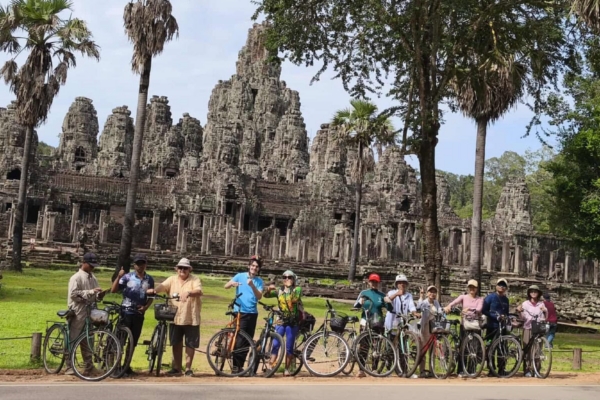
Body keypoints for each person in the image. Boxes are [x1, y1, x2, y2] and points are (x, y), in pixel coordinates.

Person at [147, 258, 202, 377]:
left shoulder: (195, 279)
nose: (182, 270)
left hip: (190, 316)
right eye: (180, 268)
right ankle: (177, 367)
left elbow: (198, 291)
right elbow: (162, 286)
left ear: (189, 269)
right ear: (177, 269)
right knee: (175, 342)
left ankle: (188, 368)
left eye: (185, 268)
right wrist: (154, 291)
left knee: (190, 343)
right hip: (175, 316)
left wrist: (188, 293)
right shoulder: (172, 279)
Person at [110, 253, 154, 377]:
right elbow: (114, 290)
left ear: (146, 264)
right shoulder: (128, 277)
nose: (140, 266)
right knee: (120, 340)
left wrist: (146, 307)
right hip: (126, 311)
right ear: (134, 265)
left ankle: (126, 365)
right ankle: (116, 366)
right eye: (138, 264)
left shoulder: (149, 279)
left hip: (139, 314)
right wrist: (119, 277)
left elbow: (151, 296)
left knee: (133, 341)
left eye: (142, 263)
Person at [65, 253, 105, 376]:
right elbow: (73, 294)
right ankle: (68, 366)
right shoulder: (76, 278)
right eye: (91, 265)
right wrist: (90, 292)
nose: (92, 268)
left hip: (90, 311)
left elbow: (95, 295)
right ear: (84, 263)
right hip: (78, 311)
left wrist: (99, 295)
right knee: (73, 338)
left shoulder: (93, 277)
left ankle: (89, 366)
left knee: (89, 339)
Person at [224, 255, 264, 373]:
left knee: (248, 340)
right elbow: (226, 285)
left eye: (256, 267)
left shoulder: (259, 281)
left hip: (252, 313)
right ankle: (236, 366)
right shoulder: (240, 276)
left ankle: (239, 366)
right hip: (240, 311)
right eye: (252, 266)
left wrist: (252, 285)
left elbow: (259, 296)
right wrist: (232, 284)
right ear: (249, 266)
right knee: (240, 339)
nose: (254, 268)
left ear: (258, 269)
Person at [353, 273, 393, 377]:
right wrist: (360, 302)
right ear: (369, 282)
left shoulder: (382, 295)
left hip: (377, 321)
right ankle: (361, 369)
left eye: (376, 282)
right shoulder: (364, 293)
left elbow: (390, 309)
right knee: (363, 345)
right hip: (365, 321)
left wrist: (388, 302)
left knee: (376, 346)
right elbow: (356, 306)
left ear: (378, 283)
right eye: (372, 282)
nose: (374, 284)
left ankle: (374, 369)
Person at [264, 270, 302, 377]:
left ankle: (287, 369)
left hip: (292, 322)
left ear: (294, 279)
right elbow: (266, 296)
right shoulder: (279, 291)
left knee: (289, 346)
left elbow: (294, 299)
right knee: (275, 344)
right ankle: (271, 367)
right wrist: (268, 289)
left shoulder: (297, 289)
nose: (287, 279)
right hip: (281, 320)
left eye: (289, 277)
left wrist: (289, 289)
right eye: (285, 277)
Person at [444, 279, 483, 377]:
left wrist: (468, 309)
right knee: (463, 348)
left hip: (475, 325)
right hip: (465, 325)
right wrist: (448, 306)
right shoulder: (463, 297)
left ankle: (471, 369)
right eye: (470, 287)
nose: (472, 289)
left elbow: (478, 309)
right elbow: (454, 302)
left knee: (474, 349)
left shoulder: (480, 299)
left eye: (474, 287)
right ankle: (461, 370)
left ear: (477, 289)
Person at [517, 285, 547, 377]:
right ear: (529, 293)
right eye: (532, 291)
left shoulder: (541, 304)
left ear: (538, 293)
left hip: (537, 329)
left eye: (535, 291)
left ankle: (537, 369)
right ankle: (527, 369)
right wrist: (520, 311)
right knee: (527, 348)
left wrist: (545, 311)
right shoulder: (525, 304)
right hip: (528, 327)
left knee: (537, 349)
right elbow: (522, 317)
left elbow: (545, 317)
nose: (533, 293)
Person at [416, 285, 443, 378]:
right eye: (430, 292)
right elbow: (418, 306)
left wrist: (443, 314)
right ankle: (422, 371)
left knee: (432, 350)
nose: (432, 293)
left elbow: (440, 311)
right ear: (427, 293)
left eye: (434, 292)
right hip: (425, 327)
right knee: (423, 349)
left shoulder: (436, 303)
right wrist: (421, 296)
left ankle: (432, 371)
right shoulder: (424, 302)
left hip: (433, 327)